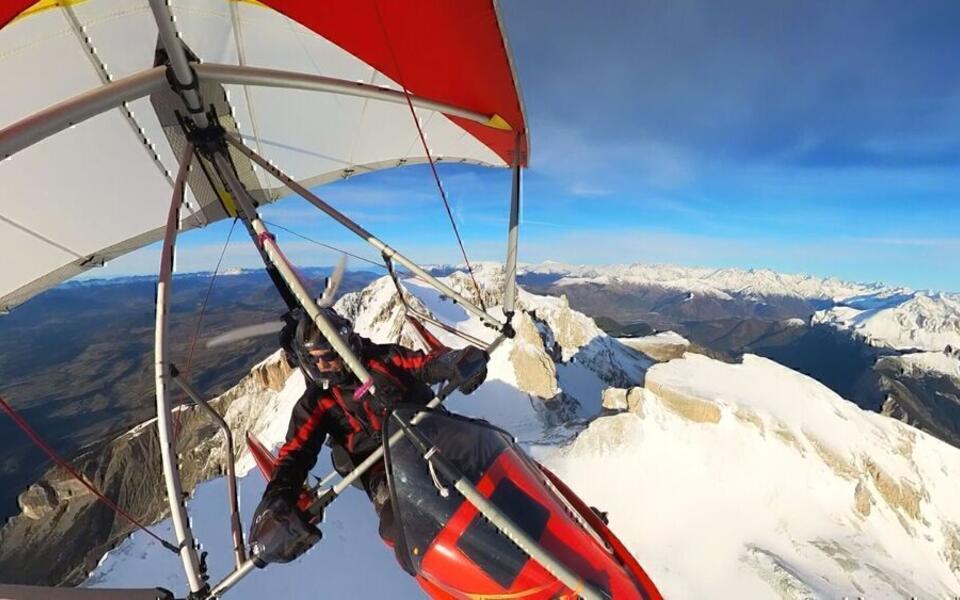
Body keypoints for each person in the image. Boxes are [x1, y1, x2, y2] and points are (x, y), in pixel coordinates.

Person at [248, 307, 488, 567]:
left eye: (330, 354)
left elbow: (424, 364)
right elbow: (294, 454)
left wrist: (457, 363)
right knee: (400, 528)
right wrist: (279, 496)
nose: (323, 364)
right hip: (384, 469)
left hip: (431, 435)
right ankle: (450, 572)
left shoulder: (381, 360)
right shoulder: (317, 402)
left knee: (482, 445)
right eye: (314, 359)